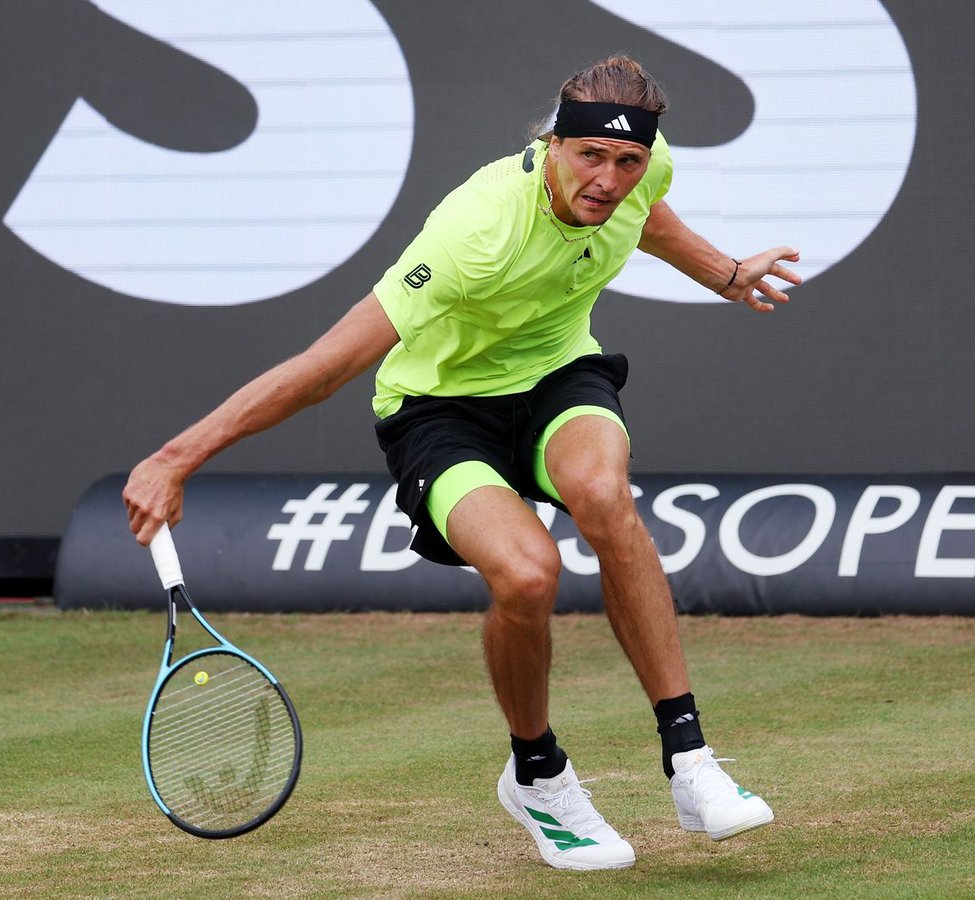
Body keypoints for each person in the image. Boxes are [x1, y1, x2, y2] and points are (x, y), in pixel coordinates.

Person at [123, 55, 800, 871]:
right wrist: (175, 456)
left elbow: (647, 216)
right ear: (552, 142)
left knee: (602, 492)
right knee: (526, 574)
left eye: (625, 161)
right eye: (589, 155)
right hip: (440, 410)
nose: (609, 178)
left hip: (555, 376)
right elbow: (326, 366)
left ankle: (690, 762)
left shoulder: (642, 172)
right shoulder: (474, 230)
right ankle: (538, 774)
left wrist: (725, 274)